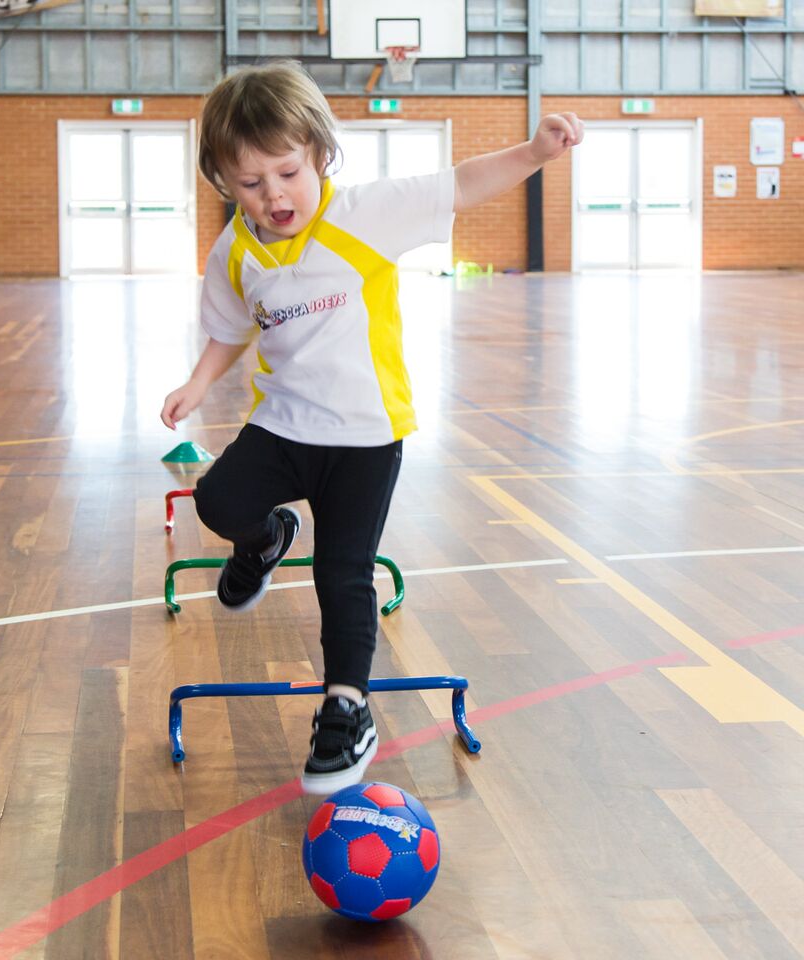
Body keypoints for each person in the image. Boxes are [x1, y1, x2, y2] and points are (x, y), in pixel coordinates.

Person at [161, 60, 583, 794]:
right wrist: (198, 382)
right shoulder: (236, 250)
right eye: (250, 184)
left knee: (344, 573)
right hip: (283, 425)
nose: (274, 196)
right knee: (221, 502)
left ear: (319, 155)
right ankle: (265, 542)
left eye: (287, 173)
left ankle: (346, 708)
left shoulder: (364, 214)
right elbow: (231, 328)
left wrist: (536, 153)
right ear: (226, 184)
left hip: (363, 437)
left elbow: (462, 183)